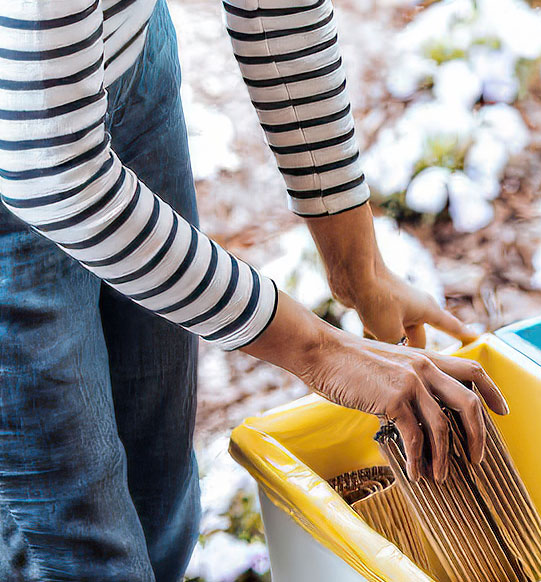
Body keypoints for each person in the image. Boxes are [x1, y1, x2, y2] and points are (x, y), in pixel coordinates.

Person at [0, 0, 507, 580]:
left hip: (126, 57)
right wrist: (321, 351)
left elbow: (276, 8)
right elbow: (55, 175)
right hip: (28, 141)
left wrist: (357, 267)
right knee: (80, 555)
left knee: (159, 506)